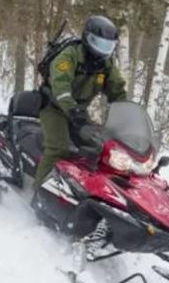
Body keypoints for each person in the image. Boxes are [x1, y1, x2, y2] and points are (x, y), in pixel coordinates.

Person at [34, 15, 127, 186]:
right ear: (87, 38)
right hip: (54, 108)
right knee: (59, 148)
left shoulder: (105, 64)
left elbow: (117, 90)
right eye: (100, 44)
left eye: (109, 46)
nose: (103, 50)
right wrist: (72, 110)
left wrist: (126, 114)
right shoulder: (69, 55)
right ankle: (39, 190)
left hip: (79, 112)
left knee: (101, 148)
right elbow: (60, 87)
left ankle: (91, 190)